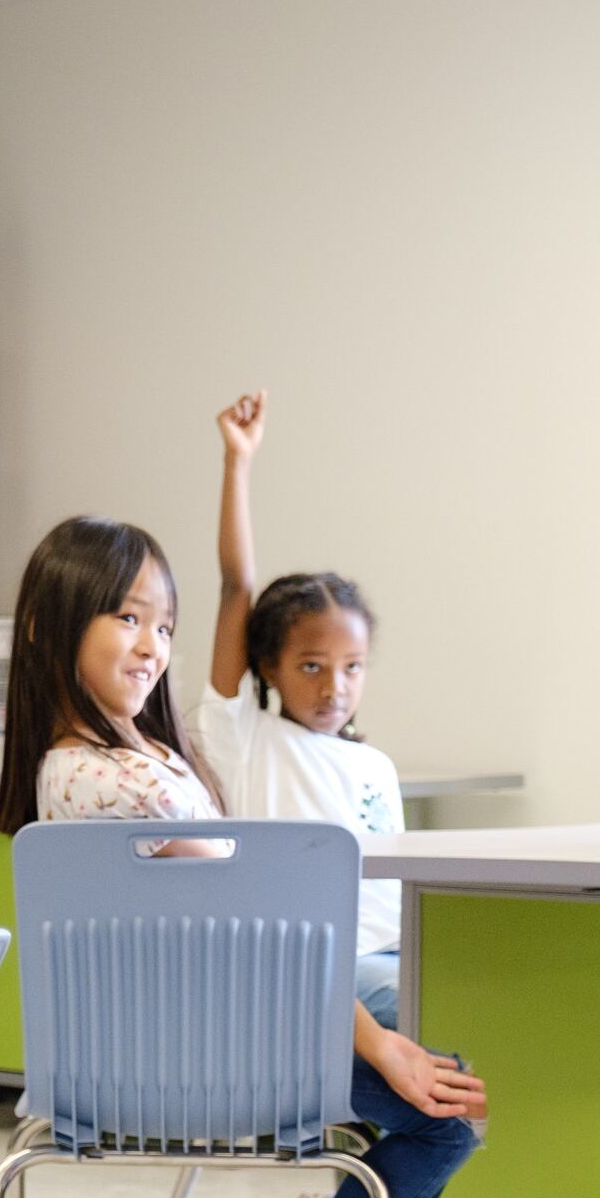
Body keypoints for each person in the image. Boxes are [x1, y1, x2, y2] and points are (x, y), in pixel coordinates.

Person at [0, 515, 484, 1198]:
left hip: (147, 1053)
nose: (151, 645)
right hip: (211, 1060)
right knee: (445, 1111)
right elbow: (260, 929)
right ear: (53, 628)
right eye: (125, 616)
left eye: (163, 625)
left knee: (437, 1097)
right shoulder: (127, 780)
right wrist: (376, 1043)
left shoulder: (104, 764)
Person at [197, 391, 409, 1024]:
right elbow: (238, 586)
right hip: (319, 970)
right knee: (431, 1012)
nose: (333, 689)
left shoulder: (376, 767)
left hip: (399, 953)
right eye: (311, 667)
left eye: (352, 668)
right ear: (268, 667)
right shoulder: (243, 737)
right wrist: (238, 464)